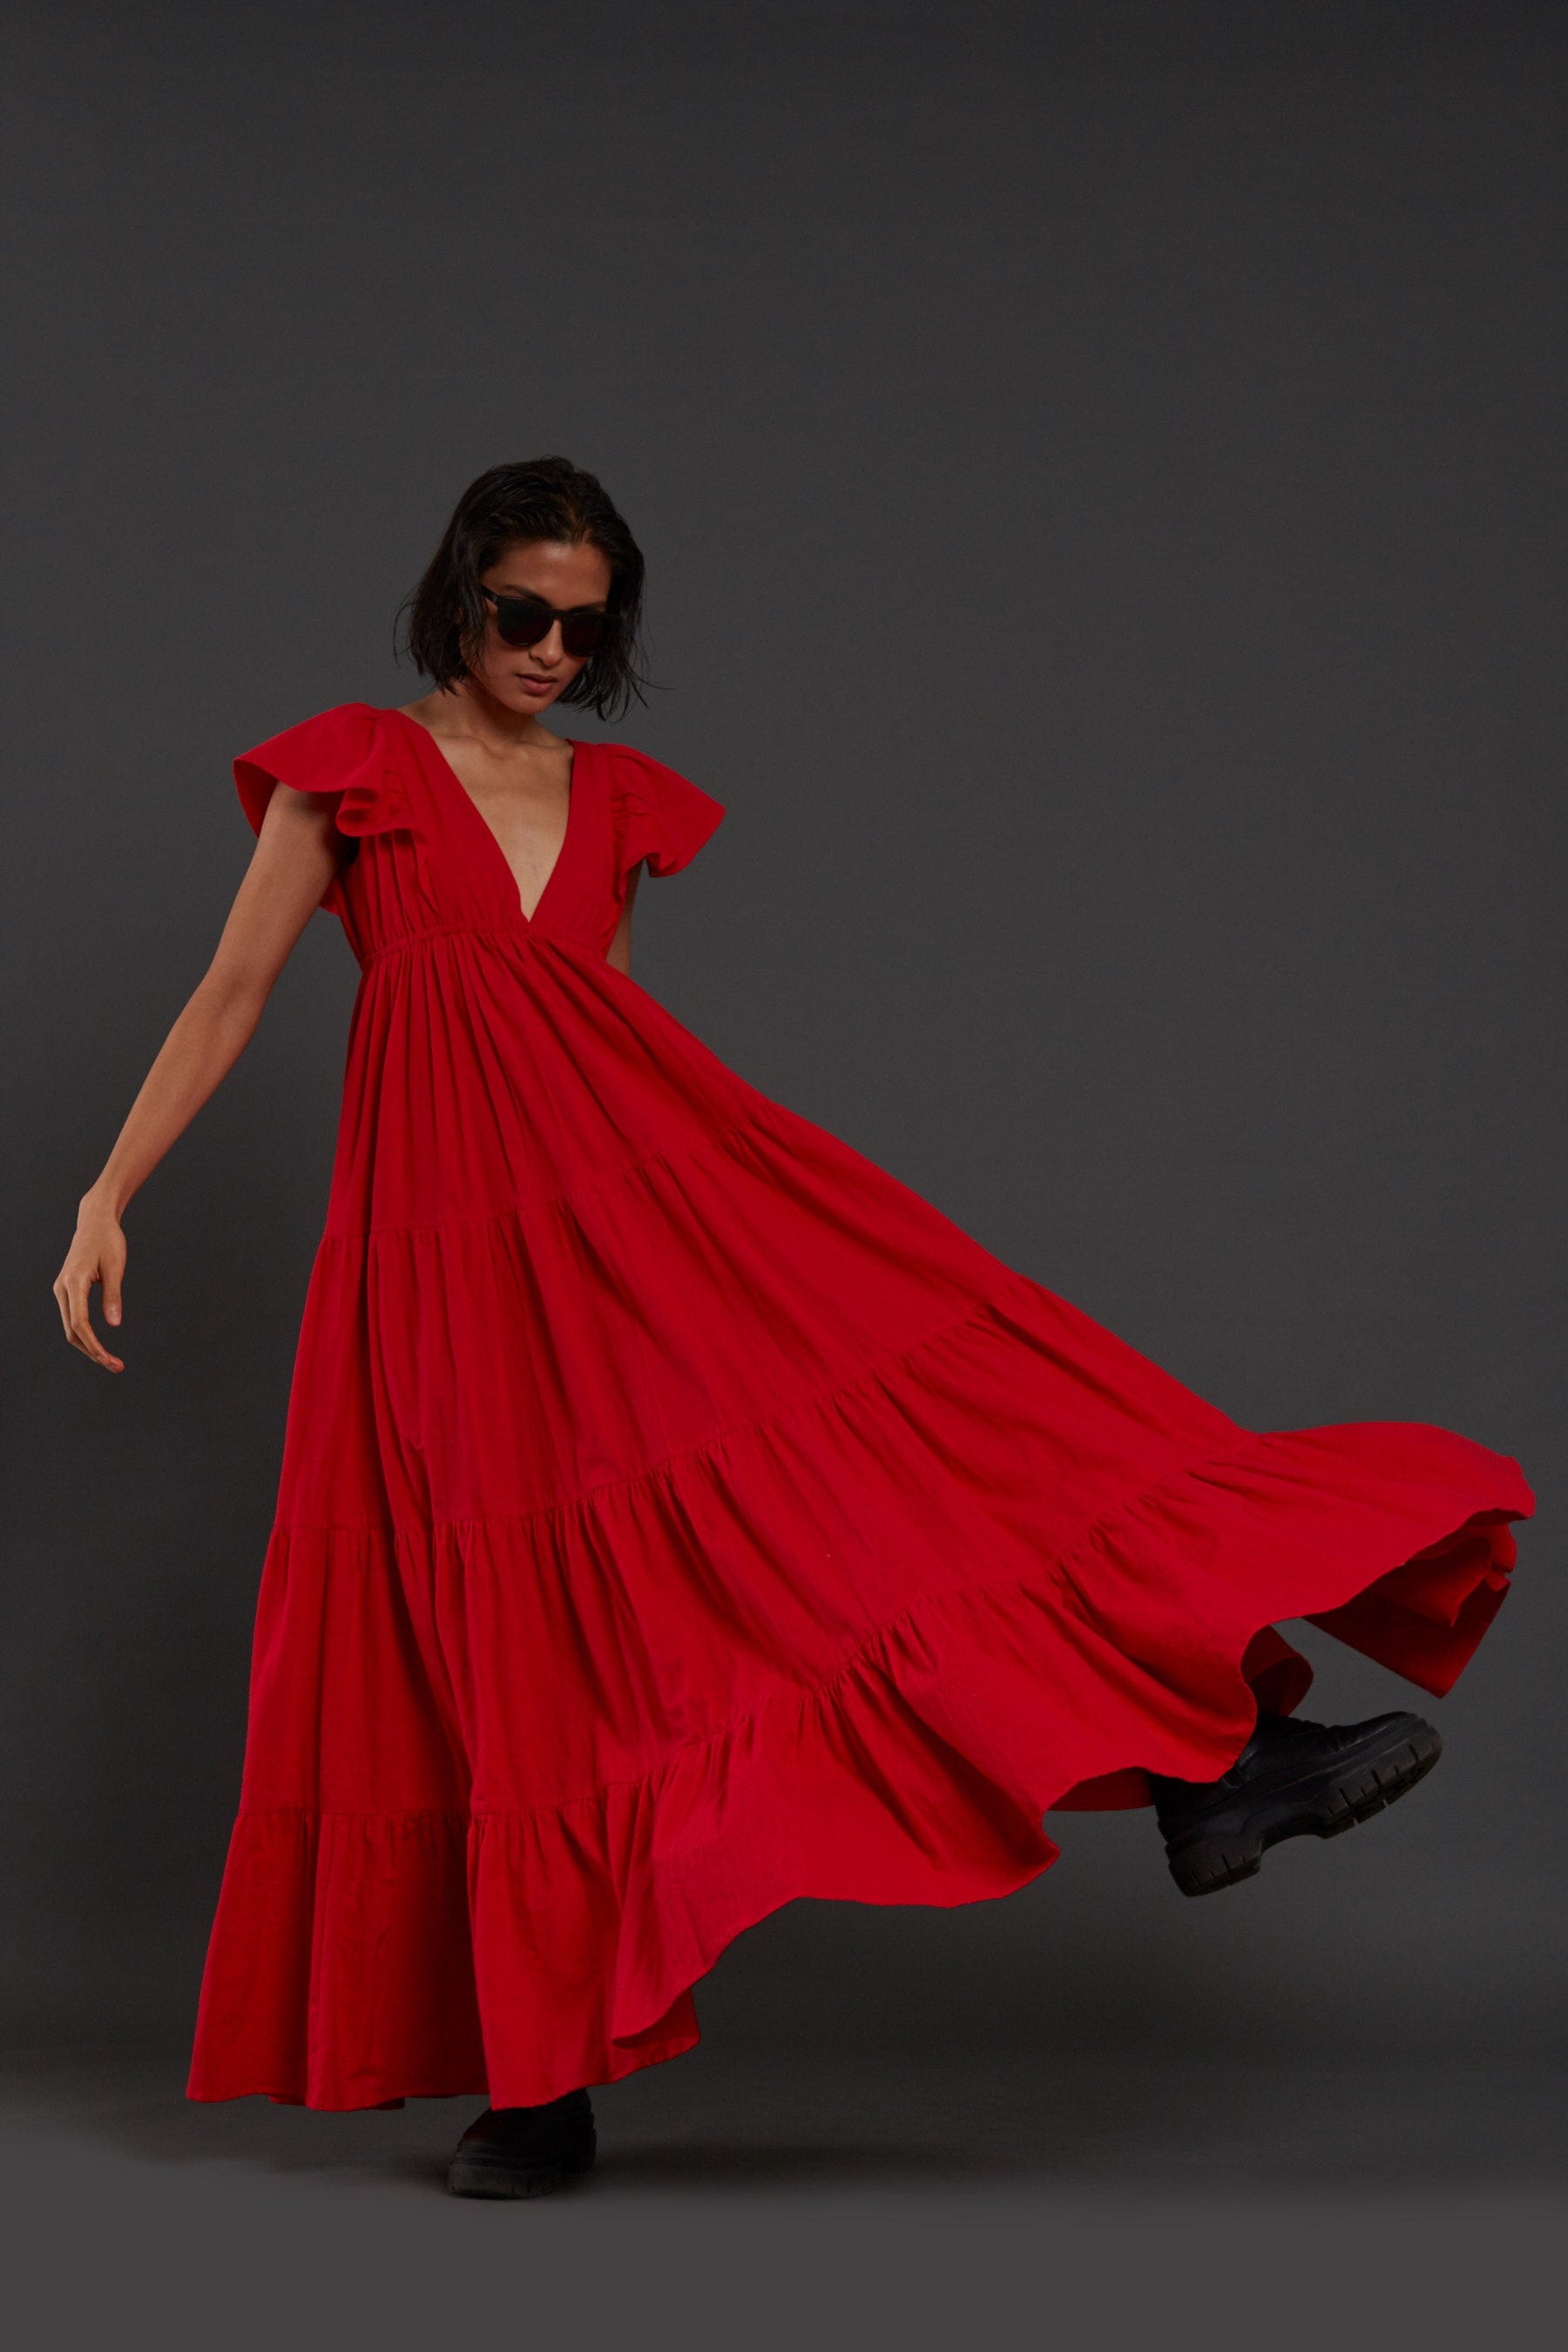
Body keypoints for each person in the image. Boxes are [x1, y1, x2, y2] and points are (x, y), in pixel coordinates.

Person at [54, 456, 1533, 2202]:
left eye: (584, 628)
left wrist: (695, 1247)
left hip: (626, 1229)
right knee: (509, 1635)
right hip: (438, 1258)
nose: (549, 650)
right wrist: (108, 1191)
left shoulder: (614, 802)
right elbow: (231, 993)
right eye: (522, 613)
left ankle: (1211, 1753)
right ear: (457, 595)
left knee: (866, 1488)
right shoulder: (355, 769)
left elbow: (609, 1036)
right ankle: (538, 2082)